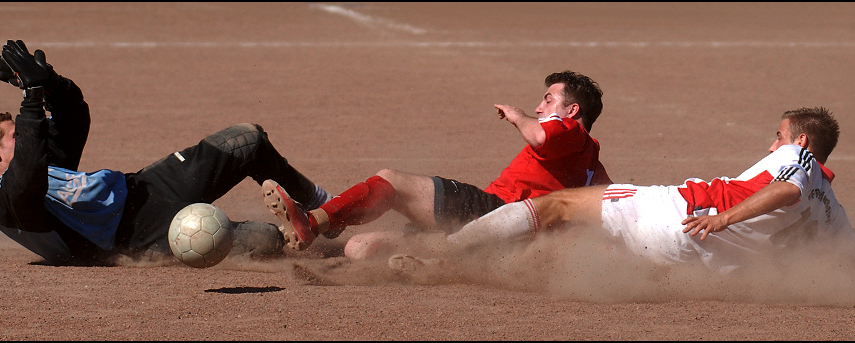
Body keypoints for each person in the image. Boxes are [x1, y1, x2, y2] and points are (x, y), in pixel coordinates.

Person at [0, 40, 331, 266]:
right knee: (266, 240)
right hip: (139, 238)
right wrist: (30, 100)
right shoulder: (3, 204)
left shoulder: (40, 167)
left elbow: (74, 119)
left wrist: (49, 84)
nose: (31, 132)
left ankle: (324, 205)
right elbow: (26, 179)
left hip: (145, 188)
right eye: (16, 134)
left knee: (247, 140)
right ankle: (301, 232)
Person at [390, 107, 855, 275]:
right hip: (700, 263)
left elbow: (786, 190)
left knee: (556, 205)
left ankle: (446, 257)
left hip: (684, 216)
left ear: (803, 142)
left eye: (779, 135)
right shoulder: (833, 214)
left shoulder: (799, 159)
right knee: (584, 242)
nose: (773, 144)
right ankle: (505, 266)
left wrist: (721, 218)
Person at [261, 71, 613, 255]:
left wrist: (518, 116)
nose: (539, 106)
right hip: (506, 235)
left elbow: (538, 135)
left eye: (548, 99)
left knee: (391, 181)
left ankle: (313, 221)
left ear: (571, 110)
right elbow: (609, 206)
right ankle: (432, 259)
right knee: (361, 248)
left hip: (495, 211)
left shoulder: (569, 130)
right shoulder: (592, 164)